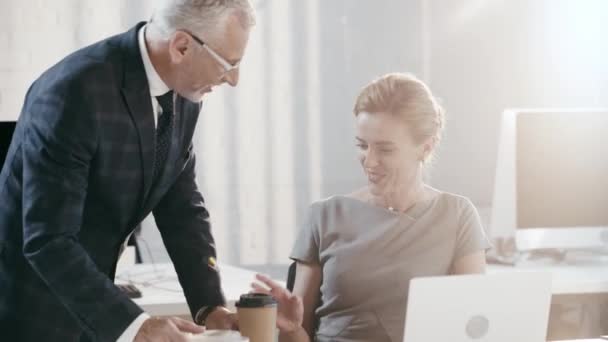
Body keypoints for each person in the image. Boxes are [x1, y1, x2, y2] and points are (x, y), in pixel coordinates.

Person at [0, 1, 255, 341]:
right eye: (229, 64)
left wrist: (209, 307)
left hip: (94, 302)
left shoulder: (183, 93)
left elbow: (181, 206)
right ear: (181, 46)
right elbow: (48, 241)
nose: (234, 80)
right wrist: (137, 326)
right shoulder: (75, 91)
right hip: (33, 311)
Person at [252, 73, 491, 342]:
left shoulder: (457, 216)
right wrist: (291, 329)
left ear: (426, 147)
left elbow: (473, 331)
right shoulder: (325, 217)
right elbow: (295, 329)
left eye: (385, 150)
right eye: (362, 146)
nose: (369, 161)